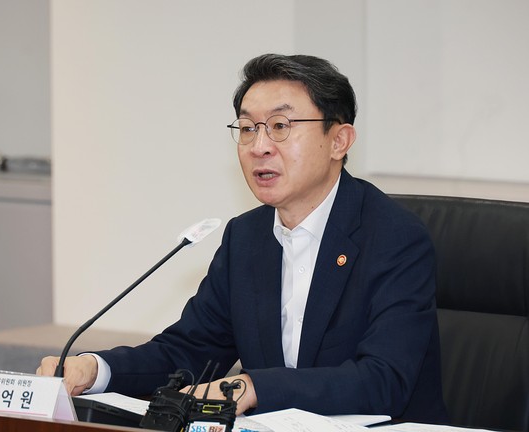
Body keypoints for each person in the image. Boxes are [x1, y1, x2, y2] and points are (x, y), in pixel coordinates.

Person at [38, 53, 449, 423]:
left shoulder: (395, 238)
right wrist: (95, 369)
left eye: (280, 127)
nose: (259, 146)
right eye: (248, 128)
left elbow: (384, 380)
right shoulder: (247, 237)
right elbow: (189, 352)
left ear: (338, 141)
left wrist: (253, 387)